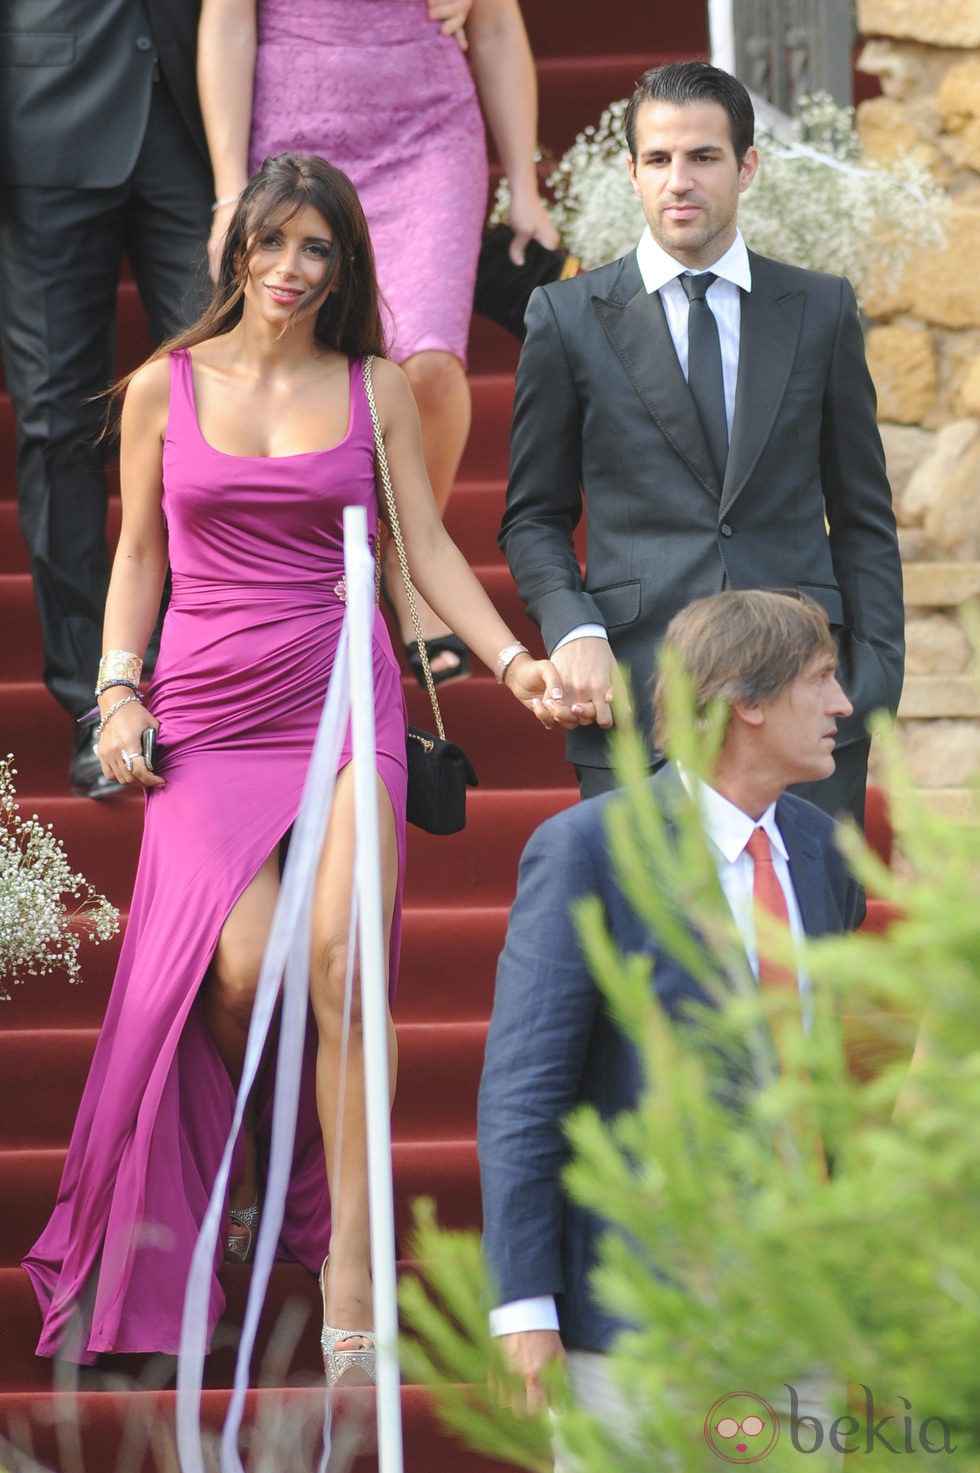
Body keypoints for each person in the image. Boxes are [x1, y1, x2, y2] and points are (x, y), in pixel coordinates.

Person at [22, 152, 572, 1380]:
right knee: (244, 970)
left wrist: (513, 659)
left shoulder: (373, 385)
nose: (288, 269)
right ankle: (266, 1167)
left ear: (342, 266)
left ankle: (349, 1279)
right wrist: (118, 690)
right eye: (270, 245)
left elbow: (424, 547)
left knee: (336, 960)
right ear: (235, 253)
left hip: (341, 693)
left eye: (315, 249)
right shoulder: (167, 387)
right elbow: (136, 564)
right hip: (208, 708)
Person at [478, 589, 864, 1422]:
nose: (844, 703)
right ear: (747, 702)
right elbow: (525, 1092)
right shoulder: (591, 850)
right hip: (637, 1320)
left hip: (805, 1311)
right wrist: (523, 1303)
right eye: (822, 679)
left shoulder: (822, 850)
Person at [499, 60, 905, 824]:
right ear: (632, 171)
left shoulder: (820, 309)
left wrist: (873, 680)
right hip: (638, 694)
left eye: (703, 157)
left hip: (801, 700)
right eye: (658, 159)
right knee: (654, 945)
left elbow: (863, 517)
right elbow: (532, 517)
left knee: (802, 941)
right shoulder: (567, 316)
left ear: (746, 167)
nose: (678, 180)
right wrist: (574, 628)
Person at [197, 0, 558, 686]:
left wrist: (523, 184)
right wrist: (226, 193)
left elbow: (498, 24)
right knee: (315, 359)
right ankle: (312, 583)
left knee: (426, 360)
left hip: (429, 130)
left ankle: (407, 563)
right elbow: (228, 22)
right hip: (294, 130)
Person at [0, 0, 213, 799]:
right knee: (58, 424)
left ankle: (214, 676)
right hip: (39, 116)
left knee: (219, 400)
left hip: (192, 116)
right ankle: (96, 703)